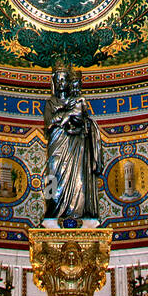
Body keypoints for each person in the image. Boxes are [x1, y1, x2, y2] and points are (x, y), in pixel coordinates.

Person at [43, 65, 103, 223]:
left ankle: (76, 212)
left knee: (78, 177)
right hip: (57, 143)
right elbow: (49, 124)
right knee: (52, 171)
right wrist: (66, 114)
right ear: (54, 82)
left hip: (75, 145)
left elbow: (83, 120)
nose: (62, 82)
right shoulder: (50, 103)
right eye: (59, 79)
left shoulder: (76, 101)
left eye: (64, 79)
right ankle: (51, 210)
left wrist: (71, 117)